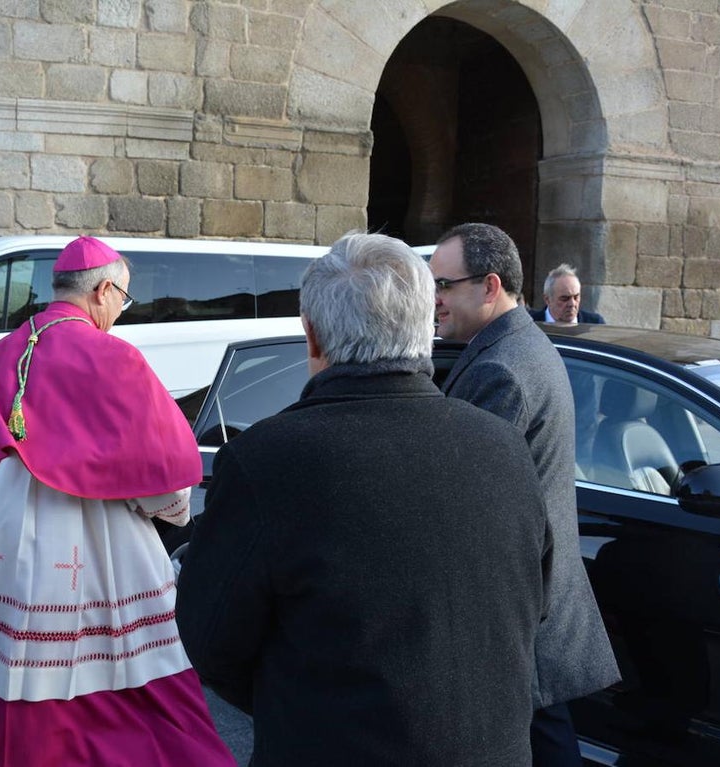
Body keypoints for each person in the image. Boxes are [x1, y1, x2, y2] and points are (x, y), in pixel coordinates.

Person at [176, 232, 551, 766]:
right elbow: (533, 604)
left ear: (312, 337)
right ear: (424, 326)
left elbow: (211, 640)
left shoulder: (268, 460)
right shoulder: (504, 446)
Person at [0, 236, 235, 767]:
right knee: (136, 694)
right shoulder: (112, 356)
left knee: (17, 687)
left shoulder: (0, 354)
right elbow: (163, 481)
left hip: (7, 560)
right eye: (123, 298)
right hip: (106, 556)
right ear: (102, 290)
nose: (122, 310)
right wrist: (171, 512)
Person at [430, 224, 620, 766]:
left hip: (518, 614)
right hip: (536, 604)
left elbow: (474, 510)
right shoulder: (521, 344)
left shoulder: (499, 371)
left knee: (546, 743)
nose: (435, 301)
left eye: (444, 286)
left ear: (489, 287)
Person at [529, 263, 605, 324]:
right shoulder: (531, 324)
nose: (572, 304)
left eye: (576, 297)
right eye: (564, 299)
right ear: (547, 299)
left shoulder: (594, 324)